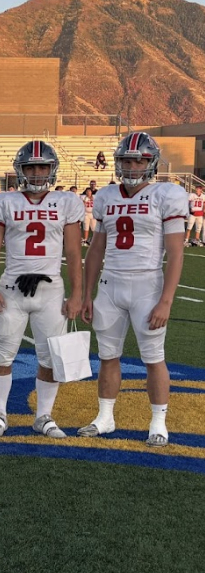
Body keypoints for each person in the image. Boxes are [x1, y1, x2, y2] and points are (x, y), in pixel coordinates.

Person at [80, 132, 187, 446]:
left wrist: (166, 301)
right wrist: (87, 294)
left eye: (138, 159)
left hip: (147, 286)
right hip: (110, 286)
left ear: (150, 161)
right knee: (107, 356)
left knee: (154, 358)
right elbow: (96, 249)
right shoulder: (106, 196)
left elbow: (177, 252)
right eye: (126, 159)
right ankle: (105, 417)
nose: (131, 165)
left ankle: (158, 421)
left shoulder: (165, 195)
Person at [0, 141, 85, 439]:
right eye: (31, 166)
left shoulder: (66, 201)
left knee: (50, 356)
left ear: (52, 169)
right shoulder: (5, 202)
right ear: (21, 169)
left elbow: (74, 250)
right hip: (13, 287)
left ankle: (43, 416)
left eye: (43, 166)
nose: (37, 172)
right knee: (3, 353)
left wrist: (77, 293)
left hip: (51, 288)